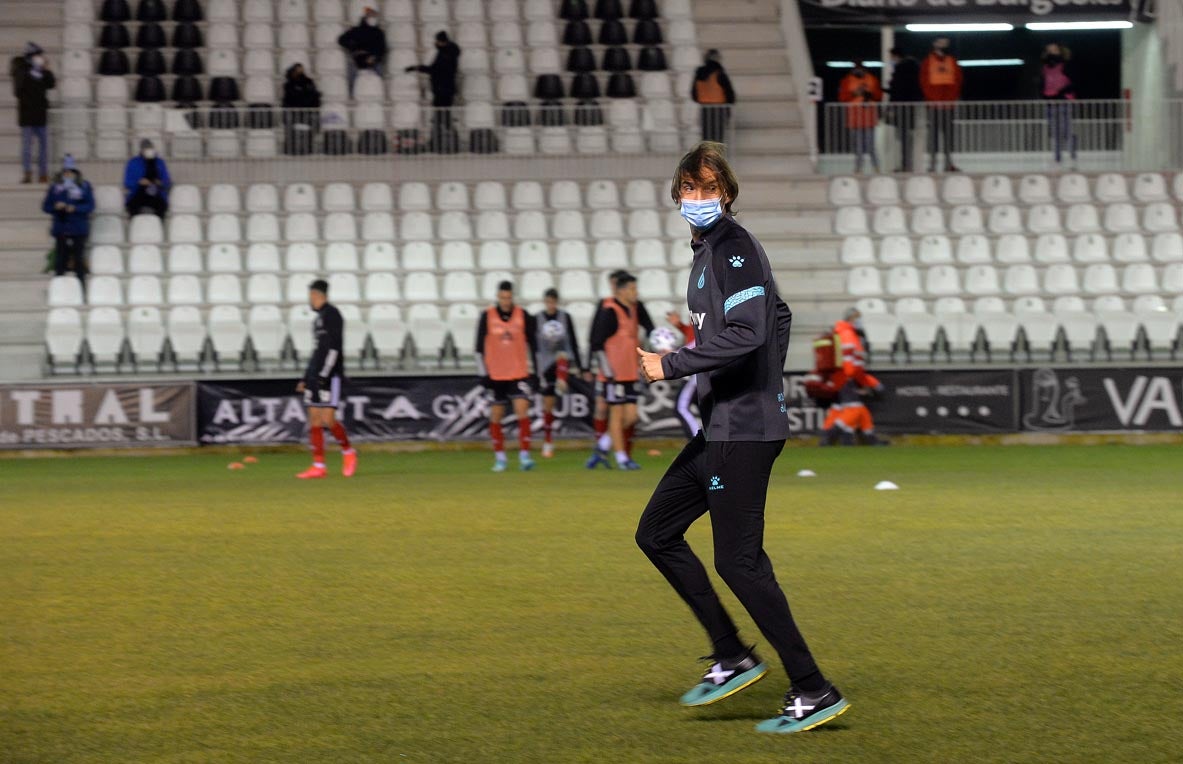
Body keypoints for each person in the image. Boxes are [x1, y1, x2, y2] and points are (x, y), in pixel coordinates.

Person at [635, 141, 849, 735]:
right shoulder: (707, 251)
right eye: (688, 190)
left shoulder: (733, 247)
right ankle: (732, 655)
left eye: (708, 189)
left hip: (743, 431)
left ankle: (812, 687)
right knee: (656, 533)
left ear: (726, 193)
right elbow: (778, 318)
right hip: (724, 424)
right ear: (677, 195)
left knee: (740, 562)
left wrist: (674, 364)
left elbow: (752, 329)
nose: (698, 199)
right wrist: (757, 381)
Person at [587, 272, 653, 470]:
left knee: (631, 417)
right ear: (622, 291)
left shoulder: (634, 309)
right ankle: (622, 458)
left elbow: (648, 329)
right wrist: (608, 373)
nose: (636, 293)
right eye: (633, 289)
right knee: (616, 416)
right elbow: (596, 344)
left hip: (630, 373)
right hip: (613, 375)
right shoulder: (609, 311)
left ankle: (602, 446)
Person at [296, 280, 358, 479]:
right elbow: (317, 351)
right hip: (315, 374)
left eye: (312, 296)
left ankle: (348, 451)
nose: (310, 300)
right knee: (314, 418)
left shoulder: (332, 314)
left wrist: (325, 373)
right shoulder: (318, 319)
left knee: (327, 419)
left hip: (328, 375)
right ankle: (318, 465)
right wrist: (306, 376)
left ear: (319, 295)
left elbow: (334, 348)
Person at [476, 281, 539, 473]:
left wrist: (536, 371)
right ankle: (500, 458)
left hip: (518, 373)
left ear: (513, 297)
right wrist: (483, 374)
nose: (505, 301)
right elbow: (478, 348)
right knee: (496, 416)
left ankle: (525, 456)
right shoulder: (487, 316)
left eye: (508, 298)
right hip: (496, 375)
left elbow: (534, 346)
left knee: (522, 411)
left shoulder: (523, 316)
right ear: (498, 297)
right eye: (502, 298)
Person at [818, 308, 886, 446]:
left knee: (841, 408)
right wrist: (857, 380)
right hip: (845, 377)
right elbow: (851, 362)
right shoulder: (848, 334)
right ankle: (832, 433)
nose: (860, 322)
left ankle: (853, 437)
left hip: (837, 376)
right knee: (854, 408)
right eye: (858, 318)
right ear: (851, 319)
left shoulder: (841, 332)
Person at [535, 288, 585, 459]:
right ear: (545, 302)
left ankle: (562, 381)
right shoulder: (538, 319)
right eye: (548, 302)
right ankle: (548, 441)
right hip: (546, 365)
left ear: (556, 302)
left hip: (564, 362)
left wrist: (580, 366)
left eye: (553, 302)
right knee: (548, 406)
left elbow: (573, 341)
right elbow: (535, 345)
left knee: (563, 356)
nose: (551, 305)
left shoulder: (565, 317)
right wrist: (536, 369)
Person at [405, 31, 461, 153]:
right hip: (444, 90)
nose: (435, 43)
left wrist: (416, 68)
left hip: (443, 91)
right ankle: (444, 143)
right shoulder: (448, 53)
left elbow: (434, 70)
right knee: (443, 118)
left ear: (442, 41)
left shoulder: (445, 55)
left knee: (442, 118)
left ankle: (442, 143)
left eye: (437, 41)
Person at [41, 154, 94, 283]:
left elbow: (90, 206)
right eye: (66, 172)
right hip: (61, 228)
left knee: (79, 260)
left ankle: (81, 289)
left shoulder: (84, 186)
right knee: (60, 260)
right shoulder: (55, 187)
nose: (68, 174)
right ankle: (59, 288)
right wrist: (56, 206)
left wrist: (75, 208)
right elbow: (46, 206)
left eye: (70, 172)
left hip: (78, 228)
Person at [11, 42, 55, 184]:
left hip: (40, 113)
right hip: (27, 114)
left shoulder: (42, 71)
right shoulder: (21, 69)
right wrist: (32, 73)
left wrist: (45, 70)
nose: (40, 57)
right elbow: (18, 90)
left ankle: (43, 174)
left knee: (43, 146)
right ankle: (27, 173)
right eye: (38, 55)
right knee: (27, 147)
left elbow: (51, 84)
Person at [920, 37, 962, 173]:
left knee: (948, 137)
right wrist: (933, 99)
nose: (945, 45)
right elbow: (924, 82)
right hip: (933, 106)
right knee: (933, 137)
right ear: (934, 44)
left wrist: (950, 98)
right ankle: (932, 165)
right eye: (941, 42)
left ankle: (948, 164)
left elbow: (958, 81)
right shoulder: (928, 62)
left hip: (948, 106)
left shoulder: (952, 61)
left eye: (946, 43)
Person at [838, 61, 883, 174]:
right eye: (857, 69)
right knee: (858, 147)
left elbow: (879, 96)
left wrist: (869, 94)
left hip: (869, 118)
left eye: (861, 69)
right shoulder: (846, 81)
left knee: (870, 146)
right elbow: (842, 98)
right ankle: (858, 169)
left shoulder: (872, 79)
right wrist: (855, 93)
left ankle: (876, 169)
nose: (859, 71)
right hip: (854, 118)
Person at [886, 47, 922, 173]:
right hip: (911, 107)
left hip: (902, 107)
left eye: (891, 57)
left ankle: (905, 165)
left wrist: (890, 106)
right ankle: (907, 165)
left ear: (896, 56)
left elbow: (897, 90)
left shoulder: (900, 69)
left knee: (904, 138)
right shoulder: (914, 67)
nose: (891, 60)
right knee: (907, 138)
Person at [665, 311, 701, 439]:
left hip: (700, 372)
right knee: (709, 411)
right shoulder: (700, 299)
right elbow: (697, 333)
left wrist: (673, 354)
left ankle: (699, 445)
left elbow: (701, 340)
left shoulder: (708, 300)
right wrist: (681, 326)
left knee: (681, 408)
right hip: (698, 370)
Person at [1041, 43, 1077, 167]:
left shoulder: (1066, 65)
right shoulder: (1045, 67)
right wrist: (1045, 96)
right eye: (1049, 50)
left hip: (1064, 101)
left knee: (1066, 129)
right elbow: (1043, 83)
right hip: (1050, 102)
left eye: (1054, 50)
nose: (1052, 52)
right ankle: (1057, 157)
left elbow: (1073, 83)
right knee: (1055, 132)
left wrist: (1060, 93)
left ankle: (1072, 154)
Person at [339, 6, 387, 96]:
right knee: (351, 73)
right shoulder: (356, 30)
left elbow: (382, 48)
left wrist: (374, 57)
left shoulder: (379, 32)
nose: (373, 19)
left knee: (380, 73)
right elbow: (341, 40)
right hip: (358, 59)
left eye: (374, 16)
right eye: (371, 16)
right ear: (365, 17)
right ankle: (351, 94)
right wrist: (353, 48)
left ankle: (380, 94)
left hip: (374, 60)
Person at [691, 49, 735, 144]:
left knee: (706, 138)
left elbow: (694, 95)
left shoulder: (698, 74)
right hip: (719, 109)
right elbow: (730, 94)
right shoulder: (719, 73)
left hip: (705, 109)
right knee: (717, 138)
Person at [123, 139, 171, 218]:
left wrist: (159, 182)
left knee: (161, 207)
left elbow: (167, 181)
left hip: (156, 192)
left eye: (149, 148)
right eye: (145, 149)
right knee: (132, 207)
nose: (148, 151)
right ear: (141, 150)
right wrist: (139, 182)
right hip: (138, 192)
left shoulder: (159, 162)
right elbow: (128, 182)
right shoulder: (133, 162)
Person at [281, 62, 321, 155]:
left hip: (307, 112)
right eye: (297, 70)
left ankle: (309, 148)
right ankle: (289, 148)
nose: (299, 72)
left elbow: (314, 97)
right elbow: (291, 99)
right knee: (289, 119)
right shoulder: (288, 84)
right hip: (293, 112)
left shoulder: (308, 82)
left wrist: (303, 97)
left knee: (314, 118)